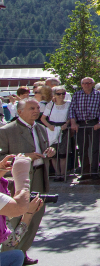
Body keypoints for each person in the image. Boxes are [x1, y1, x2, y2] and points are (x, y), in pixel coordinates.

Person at [0, 99, 55, 265]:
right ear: (20, 111)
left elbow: (44, 148)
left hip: (38, 176)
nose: (36, 110)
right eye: (32, 108)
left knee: (35, 216)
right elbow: (2, 159)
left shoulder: (41, 128)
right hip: (16, 182)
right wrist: (25, 157)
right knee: (16, 217)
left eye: (38, 107)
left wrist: (50, 151)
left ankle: (22, 252)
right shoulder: (7, 130)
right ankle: (8, 255)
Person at [68, 77, 100, 180]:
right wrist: (73, 122)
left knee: (96, 148)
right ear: (81, 85)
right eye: (84, 83)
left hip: (94, 123)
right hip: (81, 124)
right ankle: (85, 173)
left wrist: (99, 122)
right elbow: (72, 109)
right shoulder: (77, 95)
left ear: (92, 84)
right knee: (82, 149)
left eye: (89, 83)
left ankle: (94, 172)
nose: (87, 85)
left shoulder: (99, 94)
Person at [39, 87, 70, 180]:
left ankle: (63, 174)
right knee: (53, 153)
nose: (61, 96)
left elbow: (71, 116)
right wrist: (49, 126)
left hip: (63, 129)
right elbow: (43, 118)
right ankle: (57, 173)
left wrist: (66, 124)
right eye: (58, 94)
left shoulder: (69, 104)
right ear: (54, 95)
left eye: (63, 93)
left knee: (63, 153)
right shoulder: (50, 105)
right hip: (52, 130)